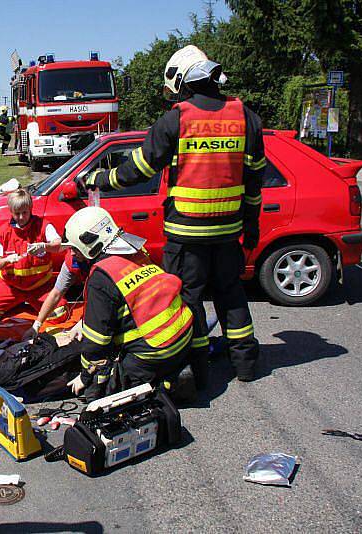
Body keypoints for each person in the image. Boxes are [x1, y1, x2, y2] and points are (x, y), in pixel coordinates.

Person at [86, 45, 264, 386]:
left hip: (186, 232)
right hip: (229, 230)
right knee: (231, 294)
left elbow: (138, 169)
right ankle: (245, 365)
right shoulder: (246, 117)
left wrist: (99, 179)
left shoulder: (177, 118)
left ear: (183, 82)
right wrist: (251, 228)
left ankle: (197, 372)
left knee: (188, 298)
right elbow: (255, 178)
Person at [63, 207, 193, 402]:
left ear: (89, 244)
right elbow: (128, 300)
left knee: (106, 397)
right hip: (183, 334)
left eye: (74, 248)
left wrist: (85, 377)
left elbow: (96, 343)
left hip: (155, 350)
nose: (73, 254)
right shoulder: (134, 249)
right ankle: (173, 372)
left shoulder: (101, 275)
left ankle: (166, 386)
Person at [0, 188, 65, 323]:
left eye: (25, 212)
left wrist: (45, 246)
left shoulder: (43, 226)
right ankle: (17, 303)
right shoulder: (3, 232)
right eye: (17, 213)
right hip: (10, 287)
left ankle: (24, 304)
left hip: (40, 286)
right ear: (11, 212)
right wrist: (7, 260)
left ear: (31, 209)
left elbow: (59, 246)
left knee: (59, 315)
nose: (21, 217)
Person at [21, 246, 91, 341]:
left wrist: (84, 322)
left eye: (76, 249)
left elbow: (103, 299)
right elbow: (56, 294)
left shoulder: (105, 262)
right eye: (71, 248)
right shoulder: (72, 261)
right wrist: (36, 325)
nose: (72, 253)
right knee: (58, 312)